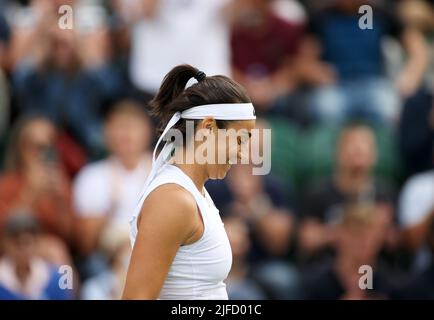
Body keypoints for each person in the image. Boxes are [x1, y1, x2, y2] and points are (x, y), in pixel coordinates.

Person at [122, 64, 256, 300]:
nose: (243, 154)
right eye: (239, 140)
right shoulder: (173, 200)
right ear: (208, 127)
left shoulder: (193, 191)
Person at [73, 100, 152, 276]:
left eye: (132, 127)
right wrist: (111, 205)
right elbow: (85, 244)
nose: (126, 134)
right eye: (120, 127)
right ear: (106, 133)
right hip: (106, 260)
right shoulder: (90, 177)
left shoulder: (163, 171)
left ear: (146, 132)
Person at [299, 123, 396, 264]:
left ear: (375, 154)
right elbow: (307, 241)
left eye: (365, 145)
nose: (359, 149)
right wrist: (343, 230)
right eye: (352, 144)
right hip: (328, 271)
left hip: (375, 273)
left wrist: (381, 229)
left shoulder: (385, 193)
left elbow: (398, 243)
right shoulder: (317, 192)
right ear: (337, 152)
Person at [0, 212, 74, 300]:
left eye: (27, 243)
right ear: (5, 244)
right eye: (17, 244)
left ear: (37, 243)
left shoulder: (56, 278)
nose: (22, 251)